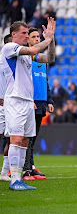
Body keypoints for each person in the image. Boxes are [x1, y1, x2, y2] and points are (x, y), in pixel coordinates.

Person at [1, 18, 56, 191]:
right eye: (24, 33)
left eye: (27, 33)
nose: (26, 36)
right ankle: (14, 179)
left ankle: (19, 177)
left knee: (25, 140)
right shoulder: (10, 48)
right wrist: (46, 40)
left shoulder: (28, 56)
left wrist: (51, 39)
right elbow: (33, 48)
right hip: (15, 99)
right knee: (16, 138)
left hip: (27, 101)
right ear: (14, 34)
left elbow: (49, 58)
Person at [22, 27, 55, 181]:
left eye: (38, 37)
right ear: (27, 39)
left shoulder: (40, 59)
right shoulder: (26, 58)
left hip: (41, 102)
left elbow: (45, 81)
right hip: (30, 102)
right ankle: (25, 169)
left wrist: (49, 100)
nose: (36, 39)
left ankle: (31, 166)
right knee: (27, 137)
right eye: (33, 37)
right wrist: (30, 99)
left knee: (33, 137)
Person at [0, 34, 12, 182]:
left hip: (13, 105)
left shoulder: (20, 62)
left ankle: (4, 173)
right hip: (1, 105)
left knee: (11, 140)